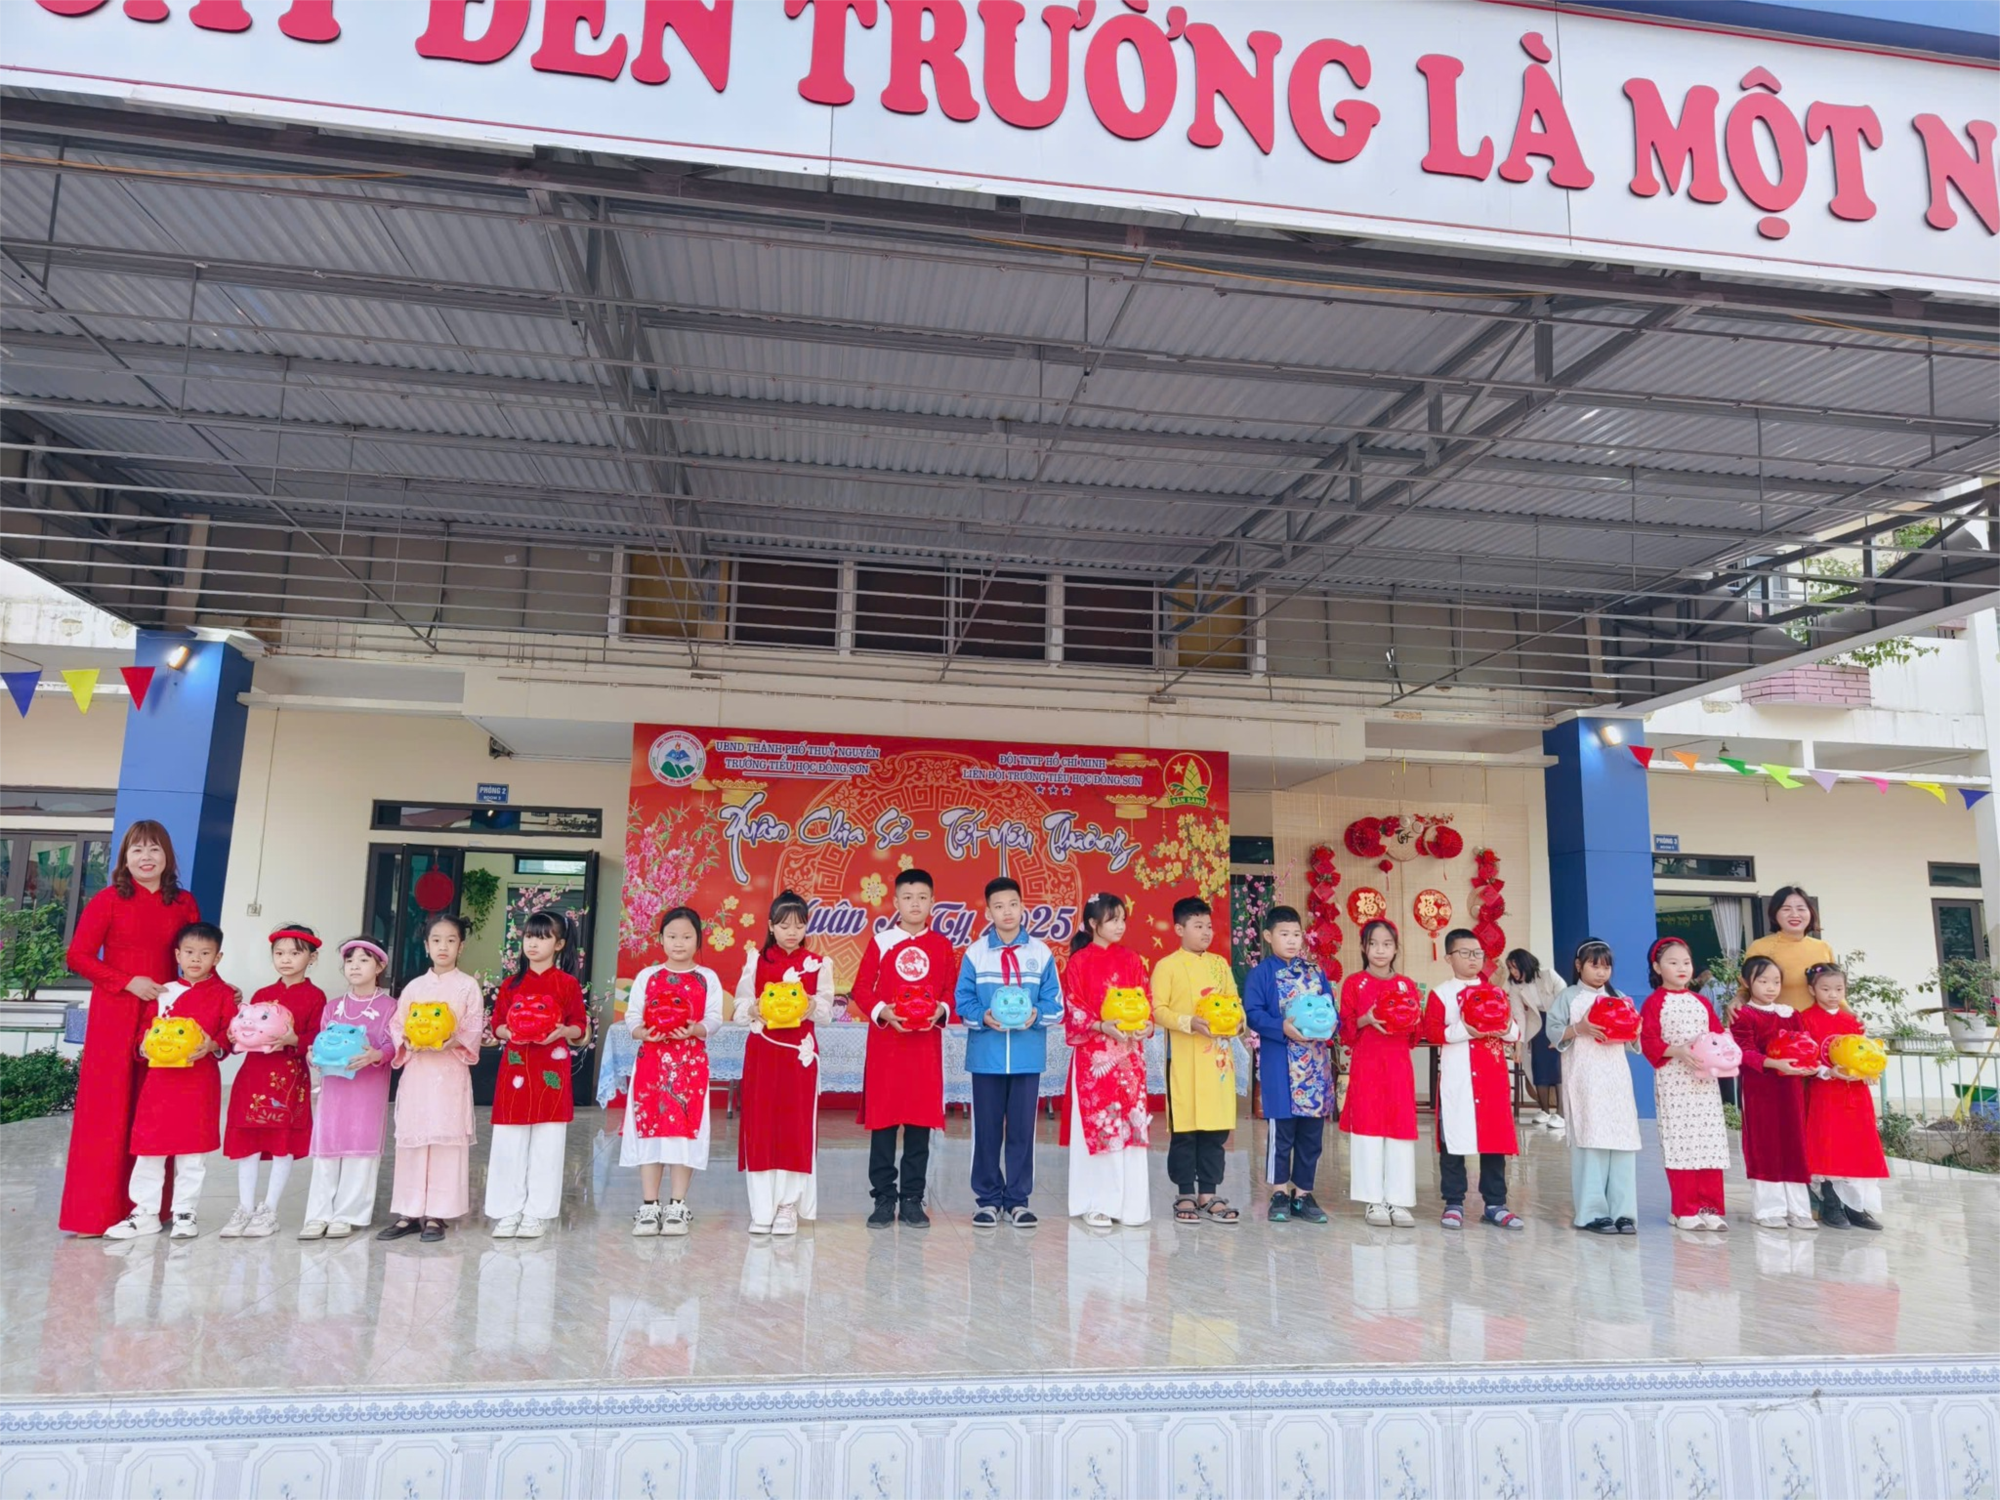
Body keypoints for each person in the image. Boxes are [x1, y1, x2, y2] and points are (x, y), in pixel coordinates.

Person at [60, 820, 202, 1236]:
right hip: (115, 1014)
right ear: (125, 857)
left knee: (156, 1111)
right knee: (107, 1109)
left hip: (165, 1018)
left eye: (154, 849)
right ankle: (95, 1214)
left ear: (167, 857)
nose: (146, 857)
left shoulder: (184, 903)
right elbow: (78, 956)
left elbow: (196, 956)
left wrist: (215, 991)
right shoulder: (108, 900)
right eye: (137, 850)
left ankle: (151, 1208)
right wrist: (126, 981)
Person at [104, 920, 235, 1240]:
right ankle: (145, 1212)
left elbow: (230, 1034)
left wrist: (213, 1045)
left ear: (217, 958)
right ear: (177, 955)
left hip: (199, 1083)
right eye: (189, 952)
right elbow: (142, 1034)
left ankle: (185, 1212)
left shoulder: (225, 995)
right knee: (150, 1149)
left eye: (205, 953)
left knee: (193, 1153)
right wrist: (145, 1045)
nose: (196, 959)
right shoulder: (162, 993)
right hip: (160, 1085)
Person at [953, 876, 1064, 1228]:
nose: (1007, 912)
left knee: (1022, 1132)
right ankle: (987, 1200)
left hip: (1027, 1057)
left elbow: (1056, 1004)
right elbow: (962, 1001)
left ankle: (1018, 1200)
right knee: (986, 1131)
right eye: (999, 906)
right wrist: (983, 1016)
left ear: (1022, 907)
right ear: (988, 912)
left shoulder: (1040, 953)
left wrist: (1035, 1015)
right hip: (986, 1058)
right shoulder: (975, 953)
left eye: (1013, 904)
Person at [852, 868, 955, 1229]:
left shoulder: (942, 945)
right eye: (908, 898)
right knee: (884, 1124)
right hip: (888, 1046)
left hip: (924, 1046)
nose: (915, 904)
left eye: (922, 898)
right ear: (895, 902)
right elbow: (861, 988)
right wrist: (884, 1012)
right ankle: (883, 1198)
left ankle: (912, 1198)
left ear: (932, 902)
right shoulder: (881, 941)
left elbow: (950, 990)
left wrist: (940, 1010)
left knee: (919, 1124)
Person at [732, 890, 836, 1236]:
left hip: (799, 1056)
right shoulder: (756, 961)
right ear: (770, 926)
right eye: (784, 925)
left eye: (799, 925)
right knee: (761, 1126)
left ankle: (788, 1206)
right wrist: (755, 1007)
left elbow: (826, 1012)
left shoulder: (818, 963)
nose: (792, 932)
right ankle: (762, 1209)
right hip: (763, 1053)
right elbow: (739, 1009)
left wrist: (811, 1005)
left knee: (795, 1127)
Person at [485, 909, 590, 1239]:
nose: (533, 943)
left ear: (559, 944)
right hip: (516, 1069)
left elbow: (579, 1027)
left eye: (543, 938)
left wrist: (562, 1032)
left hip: (551, 1070)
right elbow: (497, 1025)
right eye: (529, 936)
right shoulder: (510, 984)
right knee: (509, 1142)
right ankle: (507, 1211)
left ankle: (537, 1213)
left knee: (548, 1144)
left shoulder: (567, 984)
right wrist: (510, 1032)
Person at [378, 913, 483, 1243]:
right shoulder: (414, 987)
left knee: (445, 1140)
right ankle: (408, 1212)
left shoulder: (468, 986)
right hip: (419, 1072)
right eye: (436, 940)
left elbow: (474, 1025)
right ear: (426, 946)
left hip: (450, 1073)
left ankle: (438, 1213)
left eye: (451, 940)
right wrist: (406, 1041)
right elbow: (397, 1024)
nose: (443, 947)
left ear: (461, 947)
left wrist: (456, 1040)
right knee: (413, 1138)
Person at [623, 907, 726, 1238]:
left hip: (689, 1066)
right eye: (672, 936)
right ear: (661, 939)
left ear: (698, 940)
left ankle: (677, 1206)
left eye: (686, 936)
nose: (679, 943)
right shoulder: (648, 976)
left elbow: (715, 1018)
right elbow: (632, 1016)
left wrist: (696, 1029)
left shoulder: (706, 977)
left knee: (683, 1134)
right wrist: (642, 1032)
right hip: (651, 1064)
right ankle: (649, 1205)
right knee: (650, 1131)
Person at [221, 923, 326, 1239]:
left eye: (295, 953)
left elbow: (317, 1036)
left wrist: (296, 1039)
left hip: (288, 1079)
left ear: (311, 958)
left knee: (282, 1144)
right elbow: (246, 1026)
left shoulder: (315, 996)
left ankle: (269, 1210)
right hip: (253, 1076)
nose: (286, 959)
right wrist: (235, 1035)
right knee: (248, 1143)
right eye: (279, 953)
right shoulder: (262, 995)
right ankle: (244, 1207)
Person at [1062, 893, 1154, 1229]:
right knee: (1102, 1124)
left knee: (1130, 1122)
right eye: (1112, 919)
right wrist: (1101, 1026)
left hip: (1129, 1057)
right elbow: (1073, 1007)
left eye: (1122, 919)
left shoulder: (1132, 959)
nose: (1120, 926)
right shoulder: (1079, 962)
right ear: (1092, 923)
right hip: (1095, 1059)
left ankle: (1132, 1205)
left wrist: (1146, 1025)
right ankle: (1097, 1203)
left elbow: (1146, 1000)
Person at [1424, 928, 1525, 1231]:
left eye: (1478, 953)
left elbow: (1514, 1031)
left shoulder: (1496, 992)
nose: (1473, 959)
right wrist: (1466, 1030)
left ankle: (1495, 1204)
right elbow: (1431, 1032)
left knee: (1493, 1141)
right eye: (1465, 953)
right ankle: (1454, 1202)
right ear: (1448, 958)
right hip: (1457, 1079)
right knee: (1453, 1140)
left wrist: (1505, 1028)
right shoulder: (1441, 994)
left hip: (1491, 1078)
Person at [1243, 904, 1337, 1226]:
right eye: (1284, 934)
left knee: (1311, 1135)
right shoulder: (1261, 974)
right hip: (1281, 1065)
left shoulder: (1314, 972)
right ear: (1269, 937)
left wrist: (1331, 1025)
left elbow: (1330, 1009)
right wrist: (1280, 1027)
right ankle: (1280, 1192)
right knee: (1281, 1133)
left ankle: (1304, 1194)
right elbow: (1253, 1014)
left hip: (1314, 1065)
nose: (1293, 940)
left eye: (1297, 934)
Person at [1149, 896, 1241, 1225]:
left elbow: (1234, 1001)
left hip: (1217, 1061)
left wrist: (1238, 1023)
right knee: (1185, 1130)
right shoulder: (1167, 966)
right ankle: (1185, 1192)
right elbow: (1157, 1010)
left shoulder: (1220, 965)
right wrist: (1189, 1022)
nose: (1206, 932)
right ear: (1179, 929)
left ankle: (1209, 1193)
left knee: (1215, 1129)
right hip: (1184, 1059)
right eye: (1198, 926)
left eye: (1209, 926)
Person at [1544, 939, 1641, 1235]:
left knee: (1622, 1141)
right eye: (1594, 966)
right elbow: (1553, 1032)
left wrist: (1635, 1030)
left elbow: (1632, 1039)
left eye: (1606, 967)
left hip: (1617, 1079)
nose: (1601, 973)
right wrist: (1580, 1028)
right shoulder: (1568, 997)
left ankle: (1623, 1213)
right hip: (1584, 1078)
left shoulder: (1619, 997)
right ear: (1578, 966)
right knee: (1591, 1141)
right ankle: (1592, 1213)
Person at [300, 938, 395, 1239]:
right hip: (334, 1090)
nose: (355, 966)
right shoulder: (333, 1007)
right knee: (327, 1146)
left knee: (360, 1146)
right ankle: (318, 1214)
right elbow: (321, 1041)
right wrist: (312, 1055)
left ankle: (348, 1214)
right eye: (350, 960)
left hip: (367, 1091)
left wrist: (376, 1055)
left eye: (364, 960)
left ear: (379, 967)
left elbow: (394, 1044)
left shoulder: (390, 1006)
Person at [1639, 936, 1731, 1231]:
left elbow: (1717, 1035)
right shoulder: (1654, 1003)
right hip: (1674, 1081)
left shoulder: (1701, 1002)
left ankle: (1710, 1208)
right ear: (1657, 967)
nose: (1682, 968)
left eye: (1686, 962)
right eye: (1673, 962)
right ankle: (1684, 1209)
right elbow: (1648, 1040)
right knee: (1681, 1143)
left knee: (1709, 1142)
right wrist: (1678, 1051)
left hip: (1705, 1083)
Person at [1338, 919, 1422, 1228]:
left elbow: (1415, 1034)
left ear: (1396, 949)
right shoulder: (1354, 983)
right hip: (1367, 1066)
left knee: (1400, 1128)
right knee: (1368, 1128)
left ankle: (1398, 1201)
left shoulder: (1407, 985)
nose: (1380, 950)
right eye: (1373, 944)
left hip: (1398, 1066)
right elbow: (1346, 1030)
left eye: (1387, 944)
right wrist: (1367, 1019)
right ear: (1363, 947)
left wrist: (1412, 1019)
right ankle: (1373, 1200)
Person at [1800, 963, 1889, 1231]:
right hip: (1825, 1091)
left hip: (1856, 1092)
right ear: (1811, 990)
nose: (1833, 995)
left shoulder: (1852, 1021)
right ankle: (1832, 1205)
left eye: (1839, 989)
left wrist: (1869, 1071)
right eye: (1825, 989)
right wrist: (1827, 1071)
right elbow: (1805, 1056)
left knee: (1858, 1146)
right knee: (1829, 1145)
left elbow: (1865, 1053)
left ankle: (1857, 1207)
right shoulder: (1805, 1019)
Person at [1729, 954, 1816, 1230]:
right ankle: (1768, 1209)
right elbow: (1743, 1051)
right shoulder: (1744, 1015)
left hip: (1790, 1088)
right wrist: (1773, 1063)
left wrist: (1809, 1065)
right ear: (1746, 982)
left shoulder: (1790, 1014)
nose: (1770, 987)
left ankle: (1798, 1209)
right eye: (1763, 981)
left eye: (1776, 982)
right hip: (1760, 1089)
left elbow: (1805, 1044)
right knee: (1765, 1144)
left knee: (1794, 1143)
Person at [1745, 886, 1836, 1012]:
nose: (1794, 914)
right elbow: (1746, 989)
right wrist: (1738, 999)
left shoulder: (1823, 947)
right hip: (1777, 1020)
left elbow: (1835, 988)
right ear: (1774, 913)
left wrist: (1849, 1013)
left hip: (1818, 1021)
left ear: (1810, 912)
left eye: (1801, 909)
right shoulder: (1760, 947)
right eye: (1786, 909)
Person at [1506, 949, 1564, 1131]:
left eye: (1515, 967)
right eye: (1510, 969)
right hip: (1536, 1026)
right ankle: (1544, 1110)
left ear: (1526, 964)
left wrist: (1561, 1035)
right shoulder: (1515, 986)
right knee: (1539, 1066)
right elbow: (1519, 1016)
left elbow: (1565, 1002)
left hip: (1558, 1022)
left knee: (1559, 1067)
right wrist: (1518, 1046)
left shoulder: (1548, 975)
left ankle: (1561, 1113)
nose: (1513, 972)